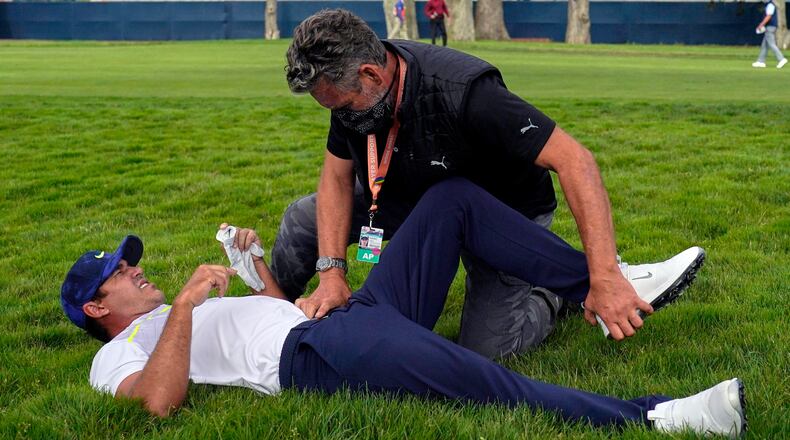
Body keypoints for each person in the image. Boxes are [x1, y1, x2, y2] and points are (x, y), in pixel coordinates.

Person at [60, 179, 745, 437]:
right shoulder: (116, 355)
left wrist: (254, 268)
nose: (138, 269)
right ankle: (659, 416)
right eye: (123, 273)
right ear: (97, 308)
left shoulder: (174, 317)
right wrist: (182, 306)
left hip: (331, 317)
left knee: (453, 201)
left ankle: (604, 284)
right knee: (477, 380)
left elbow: (272, 311)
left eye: (133, 261)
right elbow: (158, 404)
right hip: (316, 357)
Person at [277, 9, 689, 359]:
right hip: (411, 193)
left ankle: (555, 291)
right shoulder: (350, 90)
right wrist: (331, 272)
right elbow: (336, 175)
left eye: (343, 106)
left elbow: (576, 160)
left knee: (487, 349)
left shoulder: (466, 92)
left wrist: (600, 276)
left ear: (370, 74)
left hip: (501, 214)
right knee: (303, 217)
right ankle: (271, 310)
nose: (341, 116)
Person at [752, 0, 787, 69]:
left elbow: (768, 16)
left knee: (771, 44)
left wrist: (761, 24)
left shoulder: (770, 5)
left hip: (770, 26)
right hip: (770, 26)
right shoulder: (769, 4)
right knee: (764, 45)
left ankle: (781, 59)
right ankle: (761, 61)